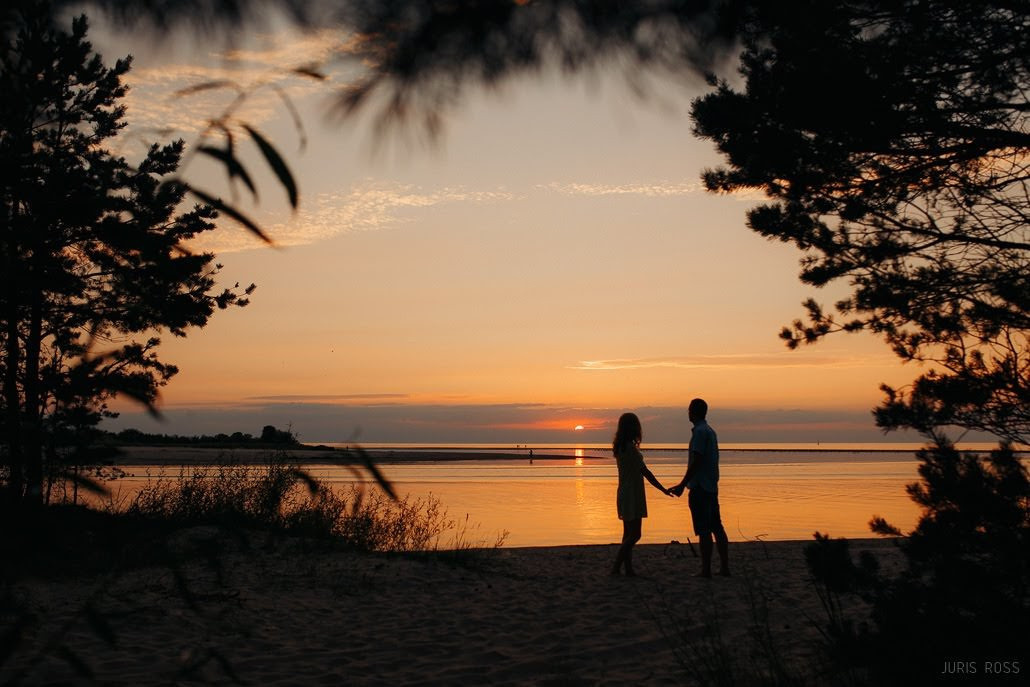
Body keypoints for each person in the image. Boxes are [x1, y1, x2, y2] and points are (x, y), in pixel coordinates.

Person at [669, 398, 730, 577]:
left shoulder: (701, 433)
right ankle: (724, 567)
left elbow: (696, 461)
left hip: (701, 487)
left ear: (693, 412)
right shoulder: (710, 431)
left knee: (704, 529)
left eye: (689, 410)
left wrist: (682, 485)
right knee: (717, 527)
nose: (687, 413)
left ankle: (706, 570)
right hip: (710, 486)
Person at [611, 412, 670, 576]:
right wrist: (662, 489)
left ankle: (628, 569)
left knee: (627, 534)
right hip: (632, 494)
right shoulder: (629, 448)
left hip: (625, 491)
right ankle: (616, 567)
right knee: (635, 534)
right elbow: (645, 472)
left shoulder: (621, 446)